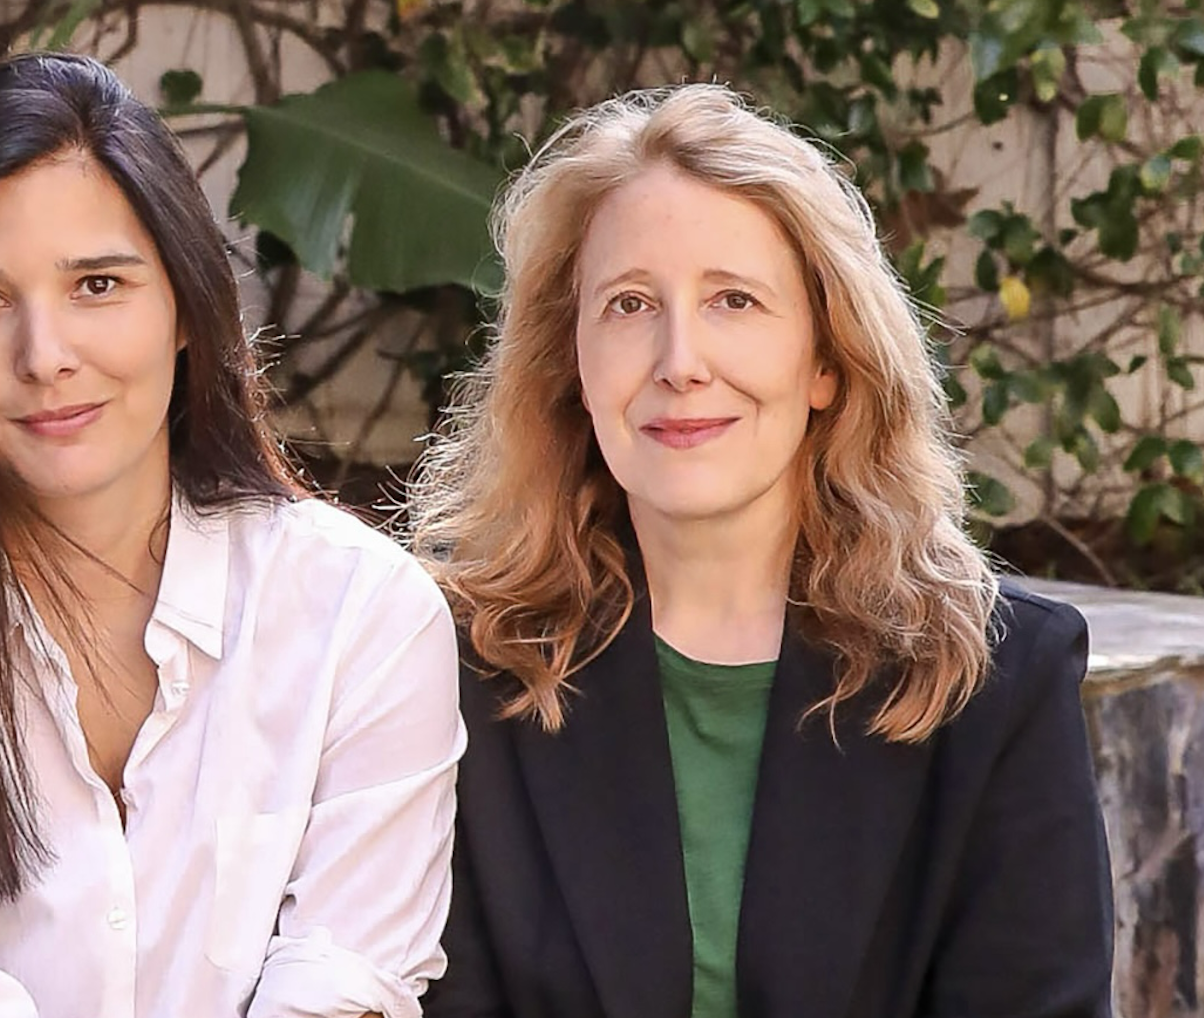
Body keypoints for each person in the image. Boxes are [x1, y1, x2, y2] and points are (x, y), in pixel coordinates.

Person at [0, 52, 462, 1018]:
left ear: (185, 307)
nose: (45, 357)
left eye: (97, 284)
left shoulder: (360, 614)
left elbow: (344, 985)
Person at [410, 83, 1112, 1018]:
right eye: (629, 304)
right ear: (570, 362)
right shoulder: (447, 663)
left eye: (734, 300)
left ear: (825, 360)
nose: (680, 361)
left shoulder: (994, 682)